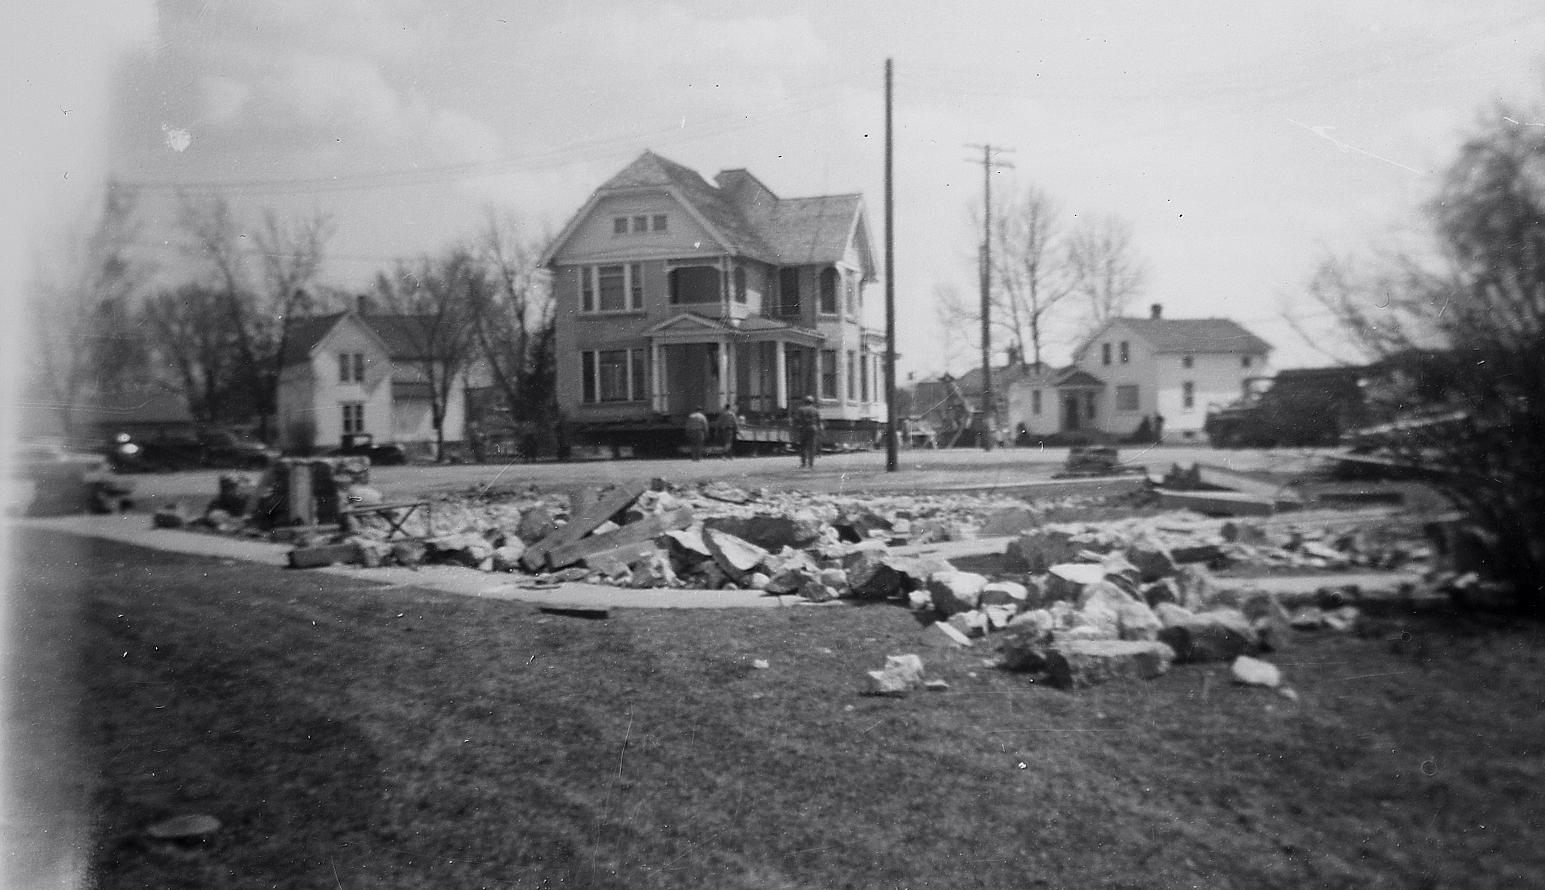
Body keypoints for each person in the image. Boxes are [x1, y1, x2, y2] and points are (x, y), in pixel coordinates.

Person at [792, 395, 823, 469]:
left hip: (804, 429)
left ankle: (803, 463)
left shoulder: (801, 409)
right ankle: (811, 464)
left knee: (803, 446)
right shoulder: (816, 410)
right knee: (812, 446)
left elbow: (796, 419)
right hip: (813, 428)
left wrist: (795, 427)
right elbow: (819, 421)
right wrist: (819, 430)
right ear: (812, 402)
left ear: (805, 402)